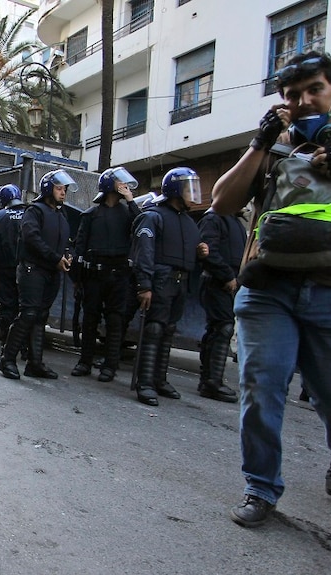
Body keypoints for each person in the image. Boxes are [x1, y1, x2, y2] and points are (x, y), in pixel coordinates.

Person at [211, 51, 331, 527]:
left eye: (315, 90)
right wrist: (260, 143)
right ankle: (260, 488)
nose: (304, 102)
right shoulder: (274, 148)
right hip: (267, 291)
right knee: (261, 390)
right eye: (292, 95)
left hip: (326, 291)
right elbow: (222, 201)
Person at [130, 167, 207, 406]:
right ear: (174, 190)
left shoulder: (189, 222)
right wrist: (144, 284)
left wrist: (201, 252)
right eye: (187, 187)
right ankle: (145, 382)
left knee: (168, 330)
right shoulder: (154, 216)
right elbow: (145, 252)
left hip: (180, 282)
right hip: (160, 279)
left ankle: (159, 379)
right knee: (153, 330)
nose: (192, 193)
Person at [0, 170, 76, 380]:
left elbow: (67, 242)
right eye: (59, 188)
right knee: (29, 313)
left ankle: (35, 363)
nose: (63, 193)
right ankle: (7, 359)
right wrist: (55, 258)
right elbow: (32, 237)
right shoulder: (34, 211)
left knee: (40, 316)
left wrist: (68, 255)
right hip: (33, 270)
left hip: (52, 271)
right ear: (49, 189)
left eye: (65, 189)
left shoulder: (61, 214)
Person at [71, 167, 140, 383]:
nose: (124, 186)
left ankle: (110, 366)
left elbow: (141, 227)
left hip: (118, 276)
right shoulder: (91, 215)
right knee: (90, 320)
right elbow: (79, 249)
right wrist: (77, 280)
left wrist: (130, 200)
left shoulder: (129, 213)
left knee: (115, 321)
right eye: (120, 183)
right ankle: (85, 361)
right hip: (93, 276)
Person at [196, 207, 245, 403]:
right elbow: (208, 251)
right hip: (216, 281)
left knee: (220, 328)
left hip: (229, 283)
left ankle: (210, 380)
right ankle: (211, 382)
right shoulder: (213, 218)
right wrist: (227, 275)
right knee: (222, 328)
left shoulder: (235, 221)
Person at [0, 183, 26, 346]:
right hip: (25, 269)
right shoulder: (29, 214)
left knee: (7, 307)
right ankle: (24, 347)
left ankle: (6, 343)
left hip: (4, 269)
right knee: (24, 307)